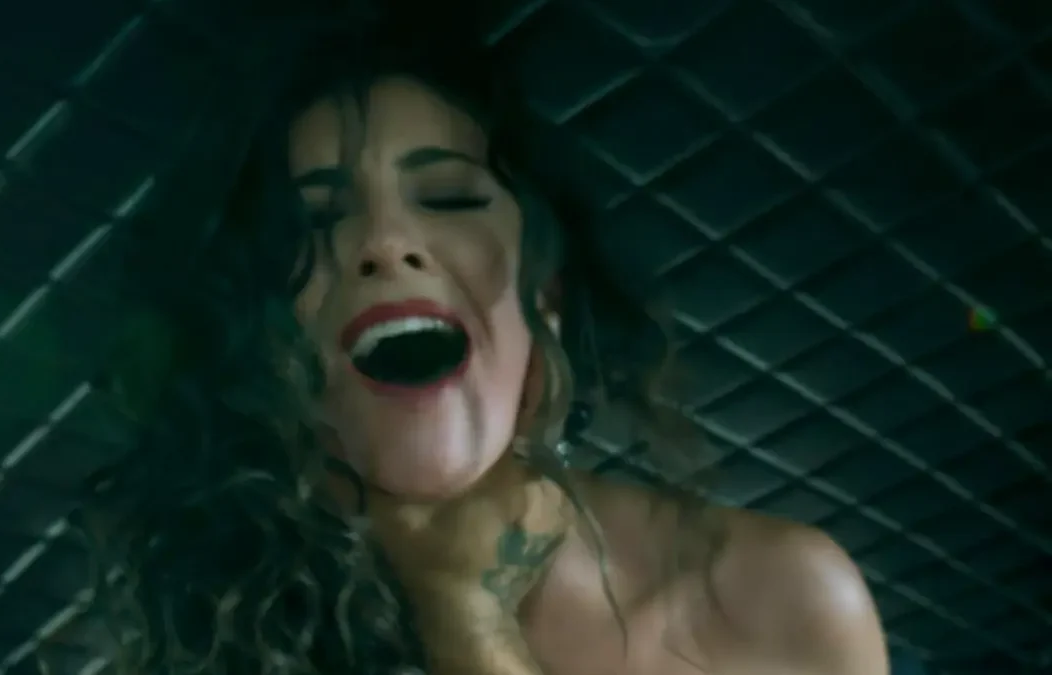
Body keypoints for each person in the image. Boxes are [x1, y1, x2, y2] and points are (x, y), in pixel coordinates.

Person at [82, 3, 888, 675]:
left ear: (548, 295)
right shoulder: (220, 642)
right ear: (257, 338)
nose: (384, 241)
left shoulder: (777, 597)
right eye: (317, 220)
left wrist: (463, 615)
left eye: (449, 197)